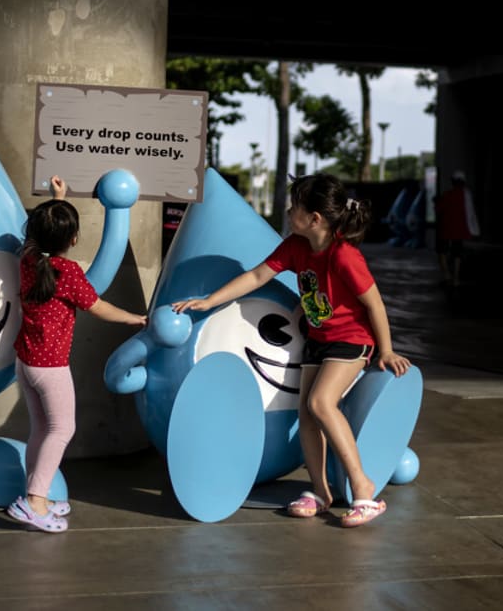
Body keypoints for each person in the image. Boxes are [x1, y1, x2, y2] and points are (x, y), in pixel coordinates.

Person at [171, 173, 412, 528]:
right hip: (319, 339)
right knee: (306, 412)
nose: (288, 210)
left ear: (314, 218)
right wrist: (209, 302)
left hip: (351, 339)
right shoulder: (296, 246)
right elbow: (255, 277)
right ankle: (320, 492)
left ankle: (363, 489)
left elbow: (374, 304)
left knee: (321, 403)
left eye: (294, 206)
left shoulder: (345, 255)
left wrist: (386, 350)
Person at [7, 175, 148, 533]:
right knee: (62, 427)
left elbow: (36, 237)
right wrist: (135, 318)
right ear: (72, 239)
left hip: (26, 361)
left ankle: (33, 496)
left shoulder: (27, 260)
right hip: (50, 366)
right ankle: (34, 502)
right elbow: (98, 307)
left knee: (42, 427)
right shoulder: (66, 272)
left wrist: (58, 198)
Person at [434, 169, 480, 286]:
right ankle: (456, 278)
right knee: (457, 254)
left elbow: (439, 209)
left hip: (445, 229)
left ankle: (447, 275)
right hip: (459, 230)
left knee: (442, 252)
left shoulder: (447, 195)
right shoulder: (466, 196)